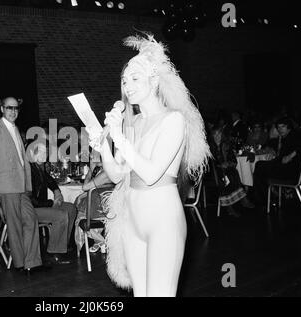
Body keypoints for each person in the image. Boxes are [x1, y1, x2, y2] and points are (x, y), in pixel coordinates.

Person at [87, 33, 210, 296]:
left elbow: (152, 173)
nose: (127, 85)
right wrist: (104, 149)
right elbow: (120, 175)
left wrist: (119, 137)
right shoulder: (135, 123)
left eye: (134, 78)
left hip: (162, 219)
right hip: (132, 219)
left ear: (154, 80)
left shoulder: (174, 120)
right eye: (124, 80)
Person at [0, 96, 43, 273]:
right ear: (2, 109)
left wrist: (27, 185)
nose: (13, 111)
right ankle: (21, 264)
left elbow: (21, 161)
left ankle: (32, 262)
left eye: (16, 108)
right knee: (14, 226)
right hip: (6, 186)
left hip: (21, 186)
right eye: (9, 108)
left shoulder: (14, 129)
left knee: (31, 220)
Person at [29, 143, 77, 264]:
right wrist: (51, 203)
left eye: (45, 152)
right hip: (32, 209)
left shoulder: (39, 168)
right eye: (41, 152)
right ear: (33, 154)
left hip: (43, 206)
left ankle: (63, 245)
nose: (44, 154)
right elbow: (31, 200)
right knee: (60, 215)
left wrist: (57, 191)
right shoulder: (28, 170)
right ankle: (54, 252)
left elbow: (50, 180)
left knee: (71, 208)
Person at [253, 117, 301, 206]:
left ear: (289, 127)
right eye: (278, 127)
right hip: (285, 168)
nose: (280, 129)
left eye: (283, 126)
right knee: (260, 166)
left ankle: (265, 199)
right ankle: (269, 197)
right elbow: (270, 145)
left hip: (291, 171)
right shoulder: (284, 137)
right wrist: (271, 149)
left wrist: (291, 155)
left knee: (259, 167)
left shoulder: (294, 135)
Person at [74, 150, 113, 254]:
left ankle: (104, 242)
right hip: (104, 206)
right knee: (81, 204)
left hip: (104, 209)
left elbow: (85, 187)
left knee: (80, 219)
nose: (90, 158)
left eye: (92, 157)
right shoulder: (103, 169)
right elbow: (93, 189)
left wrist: (90, 172)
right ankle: (99, 242)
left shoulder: (106, 172)